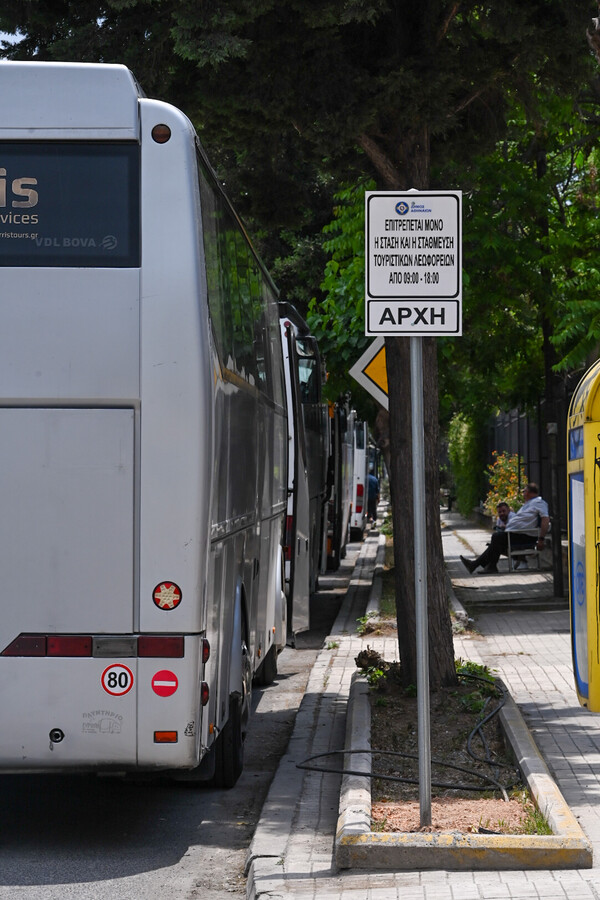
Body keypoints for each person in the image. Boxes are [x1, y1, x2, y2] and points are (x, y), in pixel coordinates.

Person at [460, 482, 549, 574]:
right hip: (517, 534)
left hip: (525, 536)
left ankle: (482, 565)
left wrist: (541, 539)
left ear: (529, 492)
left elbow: (545, 519)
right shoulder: (528, 504)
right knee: (495, 542)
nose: (523, 493)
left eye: (524, 491)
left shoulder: (539, 503)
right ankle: (484, 566)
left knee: (496, 538)